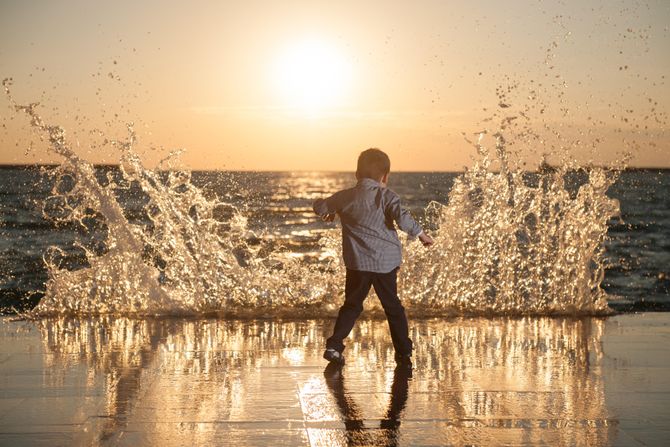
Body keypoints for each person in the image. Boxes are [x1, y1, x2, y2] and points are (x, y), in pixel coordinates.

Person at [313, 148, 434, 369]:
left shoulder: (345, 197)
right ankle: (404, 352)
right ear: (385, 176)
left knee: (351, 305)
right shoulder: (387, 196)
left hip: (358, 264)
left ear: (356, 174)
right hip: (385, 264)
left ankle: (334, 345)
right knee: (393, 308)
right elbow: (403, 220)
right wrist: (422, 235)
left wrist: (327, 210)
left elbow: (320, 206)